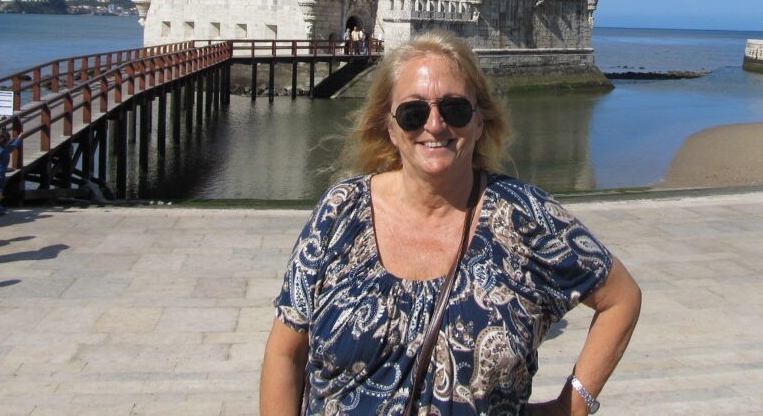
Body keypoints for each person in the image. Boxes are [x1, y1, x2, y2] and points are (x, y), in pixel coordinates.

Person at [261, 30, 641, 414]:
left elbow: (621, 298)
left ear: (480, 122)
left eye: (455, 109)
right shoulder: (341, 212)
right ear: (389, 127)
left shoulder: (524, 217)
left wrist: (572, 405)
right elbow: (285, 353)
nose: (435, 125)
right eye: (413, 113)